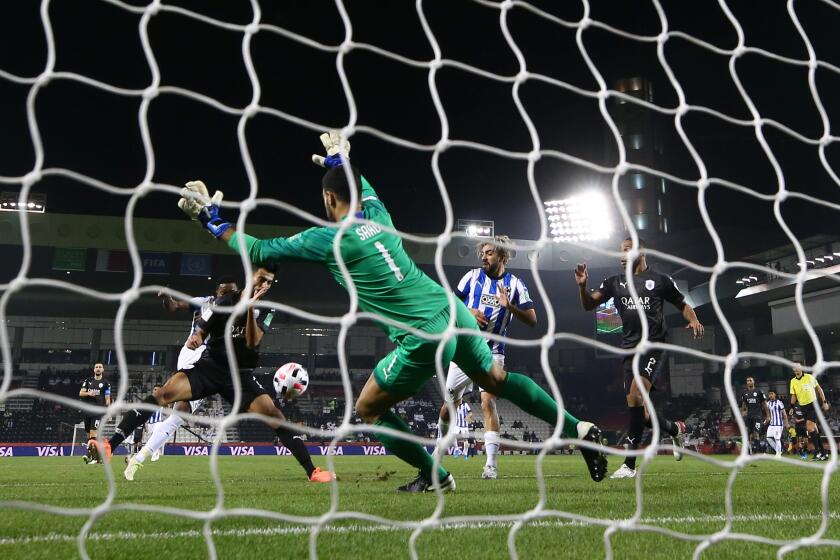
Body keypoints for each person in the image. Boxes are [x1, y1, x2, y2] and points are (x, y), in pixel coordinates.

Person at [177, 130, 607, 492]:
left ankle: (434, 475)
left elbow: (257, 249)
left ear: (328, 198)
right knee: (496, 379)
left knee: (368, 411)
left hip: (421, 335)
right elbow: (363, 186)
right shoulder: (379, 214)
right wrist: (342, 158)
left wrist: (215, 222)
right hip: (450, 307)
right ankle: (579, 429)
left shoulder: (328, 239)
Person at [94, 266, 334, 484]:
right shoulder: (224, 300)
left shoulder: (269, 309)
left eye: (268, 283)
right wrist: (197, 335)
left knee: (275, 416)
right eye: (261, 278)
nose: (263, 285)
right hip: (210, 366)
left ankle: (312, 471)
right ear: (251, 277)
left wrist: (249, 308)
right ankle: (109, 445)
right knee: (164, 394)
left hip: (240, 375)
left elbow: (253, 340)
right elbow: (205, 324)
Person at [575, 237, 703, 479]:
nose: (621, 255)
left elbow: (682, 304)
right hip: (628, 349)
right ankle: (675, 429)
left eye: (626, 250)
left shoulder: (661, 280)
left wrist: (693, 319)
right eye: (620, 251)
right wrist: (582, 287)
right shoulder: (615, 282)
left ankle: (629, 465)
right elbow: (588, 305)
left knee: (635, 396)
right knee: (639, 413)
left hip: (653, 347)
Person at [435, 235, 537, 479]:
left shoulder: (515, 284)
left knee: (487, 402)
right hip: (465, 348)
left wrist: (509, 306)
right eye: (483, 253)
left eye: (489, 253)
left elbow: (532, 320)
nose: (484, 256)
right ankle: (437, 455)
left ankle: (490, 465)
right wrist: (467, 311)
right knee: (450, 403)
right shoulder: (471, 278)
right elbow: (447, 306)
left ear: (502, 256)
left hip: (493, 352)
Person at [129, 278, 238, 472]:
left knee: (178, 416)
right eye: (225, 293)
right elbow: (174, 306)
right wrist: (167, 297)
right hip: (196, 354)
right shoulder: (205, 302)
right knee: (172, 408)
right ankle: (130, 440)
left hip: (212, 360)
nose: (229, 297)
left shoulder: (239, 311)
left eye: (232, 293)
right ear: (217, 293)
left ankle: (139, 456)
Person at [789, 363, 830, 461]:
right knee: (814, 430)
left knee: (810, 428)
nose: (796, 369)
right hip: (803, 407)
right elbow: (793, 395)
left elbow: (819, 389)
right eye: (794, 367)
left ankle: (817, 452)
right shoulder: (793, 381)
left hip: (813, 405)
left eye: (798, 367)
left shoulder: (809, 377)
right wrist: (792, 407)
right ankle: (824, 453)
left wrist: (824, 402)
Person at [79, 363, 111, 464]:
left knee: (93, 433)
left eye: (100, 367)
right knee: (89, 436)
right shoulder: (88, 381)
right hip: (87, 411)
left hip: (98, 411)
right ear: (94, 370)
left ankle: (89, 456)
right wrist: (89, 393)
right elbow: (81, 393)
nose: (98, 369)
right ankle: (99, 456)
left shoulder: (106, 383)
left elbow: (107, 399)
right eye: (96, 367)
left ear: (103, 370)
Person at [740, 376, 769, 454]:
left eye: (750, 380)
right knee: (749, 434)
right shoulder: (744, 393)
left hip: (757, 416)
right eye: (747, 381)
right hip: (749, 416)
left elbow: (765, 404)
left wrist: (768, 415)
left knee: (756, 434)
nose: (749, 382)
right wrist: (742, 413)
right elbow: (743, 405)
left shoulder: (759, 392)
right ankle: (750, 452)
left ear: (753, 382)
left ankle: (758, 452)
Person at [764, 390, 787, 457]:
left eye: (772, 394)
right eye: (769, 394)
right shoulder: (768, 403)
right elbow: (768, 415)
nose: (770, 395)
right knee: (768, 438)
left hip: (778, 424)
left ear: (775, 394)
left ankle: (778, 454)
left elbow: (784, 414)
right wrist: (765, 422)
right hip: (771, 424)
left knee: (777, 439)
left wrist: (786, 423)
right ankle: (779, 450)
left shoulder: (779, 402)